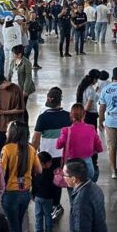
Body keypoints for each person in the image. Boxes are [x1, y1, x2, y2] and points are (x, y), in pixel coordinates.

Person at [0, 120, 40, 232]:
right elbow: (39, 169)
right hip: (25, 193)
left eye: (8, 129)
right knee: (17, 223)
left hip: (10, 193)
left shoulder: (7, 149)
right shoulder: (30, 149)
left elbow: (1, 172)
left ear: (14, 132)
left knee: (13, 226)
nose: (6, 132)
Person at [32, 86, 70, 218]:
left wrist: (33, 155)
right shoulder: (67, 116)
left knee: (45, 180)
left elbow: (36, 138)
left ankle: (47, 205)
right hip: (61, 156)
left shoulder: (42, 118)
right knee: (57, 180)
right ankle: (56, 205)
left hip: (46, 156)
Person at [57, 103, 103, 182]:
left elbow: (58, 145)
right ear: (84, 115)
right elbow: (99, 148)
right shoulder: (91, 128)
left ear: (71, 115)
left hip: (71, 166)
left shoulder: (66, 130)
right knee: (88, 185)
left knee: (72, 190)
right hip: (87, 164)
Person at [0, 73, 25, 152]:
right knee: (2, 150)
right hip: (2, 126)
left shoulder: (16, 89)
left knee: (13, 150)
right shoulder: (1, 90)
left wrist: (4, 112)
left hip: (14, 126)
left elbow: (20, 109)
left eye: (0, 86)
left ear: (4, 82)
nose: (0, 89)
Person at [33, 151, 57, 232]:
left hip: (38, 197)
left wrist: (33, 195)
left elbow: (33, 184)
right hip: (48, 198)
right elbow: (54, 187)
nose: (51, 163)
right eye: (50, 162)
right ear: (43, 163)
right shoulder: (51, 173)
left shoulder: (35, 172)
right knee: (48, 215)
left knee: (38, 215)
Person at [8, 45, 35, 122]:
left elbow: (28, 77)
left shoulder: (27, 63)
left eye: (14, 53)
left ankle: (24, 123)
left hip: (22, 88)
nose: (13, 55)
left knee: (22, 107)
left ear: (19, 54)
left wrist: (25, 90)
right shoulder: (13, 62)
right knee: (15, 106)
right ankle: (16, 122)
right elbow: (10, 73)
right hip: (13, 87)